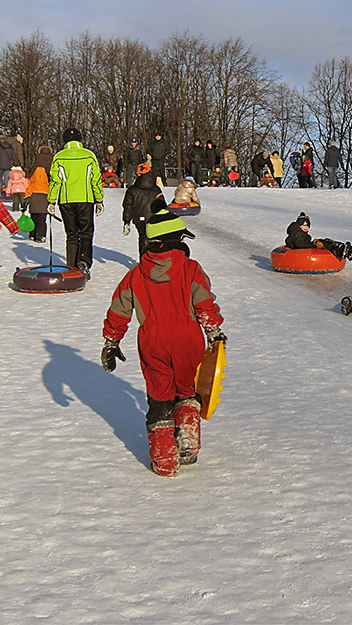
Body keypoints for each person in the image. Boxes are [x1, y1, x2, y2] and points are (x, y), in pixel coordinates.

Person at [100, 203, 225, 476]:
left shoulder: (135, 275)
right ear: (176, 242)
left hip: (152, 340)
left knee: (160, 396)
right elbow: (204, 302)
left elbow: (119, 308)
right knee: (186, 390)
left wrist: (112, 340)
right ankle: (188, 443)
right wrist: (213, 331)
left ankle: (165, 461)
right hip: (188, 338)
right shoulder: (191, 269)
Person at [47, 127, 104, 278]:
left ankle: (71, 267)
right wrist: (99, 199)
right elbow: (96, 180)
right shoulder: (89, 155)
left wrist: (51, 201)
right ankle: (84, 261)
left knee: (71, 235)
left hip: (66, 200)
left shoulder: (59, 157)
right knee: (86, 233)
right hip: (86, 199)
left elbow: (55, 181)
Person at [122, 168, 164, 255]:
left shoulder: (132, 190)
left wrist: (126, 221)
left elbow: (128, 206)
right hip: (153, 218)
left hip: (139, 218)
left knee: (143, 237)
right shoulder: (156, 190)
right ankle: (153, 258)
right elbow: (162, 205)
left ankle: (144, 259)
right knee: (153, 238)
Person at [284, 212, 352, 261]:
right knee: (324, 243)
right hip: (298, 256)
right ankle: (341, 250)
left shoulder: (299, 232)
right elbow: (300, 245)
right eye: (303, 225)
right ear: (299, 225)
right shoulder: (296, 233)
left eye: (307, 226)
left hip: (301, 250)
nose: (306, 228)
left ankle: (348, 251)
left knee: (325, 241)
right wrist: (314, 244)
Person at [25, 162, 50, 243]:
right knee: (42, 222)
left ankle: (32, 235)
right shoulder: (47, 186)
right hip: (43, 208)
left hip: (34, 208)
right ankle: (41, 236)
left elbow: (27, 195)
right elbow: (50, 197)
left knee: (34, 220)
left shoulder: (32, 185)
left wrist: (25, 203)